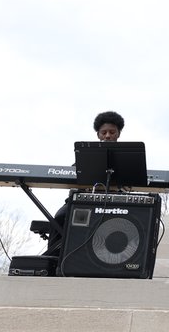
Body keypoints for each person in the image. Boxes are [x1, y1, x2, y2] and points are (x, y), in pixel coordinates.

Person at [43, 110, 126, 258]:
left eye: (112, 132)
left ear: (118, 134)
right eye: (104, 132)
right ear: (98, 135)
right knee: (60, 216)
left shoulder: (128, 155)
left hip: (114, 202)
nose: (107, 136)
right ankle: (54, 258)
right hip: (82, 201)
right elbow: (74, 175)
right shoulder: (85, 153)